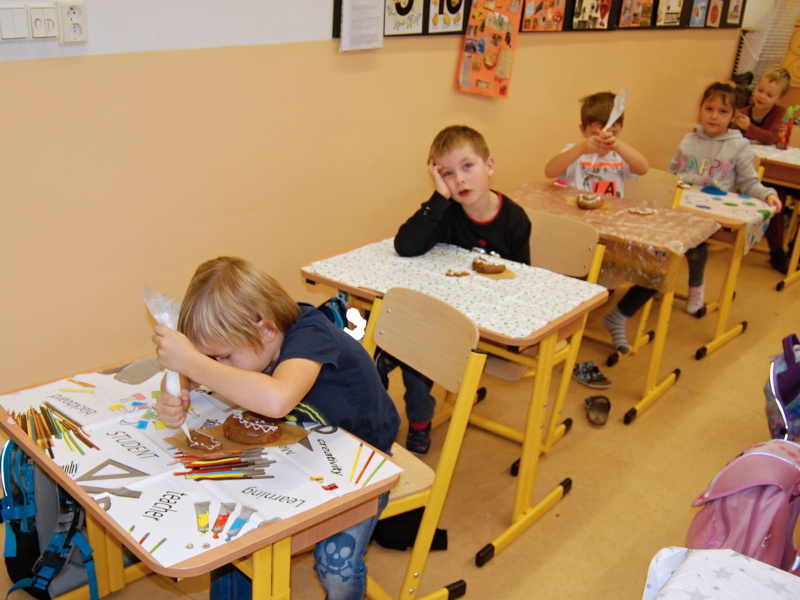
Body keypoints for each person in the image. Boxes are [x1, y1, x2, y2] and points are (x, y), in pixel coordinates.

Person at [152, 256, 400, 600]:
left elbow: (277, 400)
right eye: (212, 357)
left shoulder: (311, 335)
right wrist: (176, 389)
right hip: (304, 446)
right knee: (234, 535)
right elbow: (197, 374)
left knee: (336, 565)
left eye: (224, 357)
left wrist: (192, 363)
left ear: (266, 331)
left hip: (364, 457)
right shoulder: (252, 340)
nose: (217, 365)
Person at [387, 124, 531, 454]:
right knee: (416, 336)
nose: (460, 180)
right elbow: (406, 246)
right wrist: (439, 198)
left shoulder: (514, 220)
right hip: (442, 317)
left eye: (468, 166)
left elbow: (523, 282)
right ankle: (411, 408)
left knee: (417, 346)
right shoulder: (446, 213)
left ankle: (416, 412)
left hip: (487, 326)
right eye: (448, 174)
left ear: (489, 166)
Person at [545, 91, 650, 375]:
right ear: (583, 130)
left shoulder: (620, 155)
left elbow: (643, 167)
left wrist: (620, 145)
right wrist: (581, 148)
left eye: (612, 133)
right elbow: (550, 170)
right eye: (596, 134)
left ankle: (617, 316)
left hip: (612, 233)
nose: (603, 141)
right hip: (579, 233)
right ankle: (562, 333)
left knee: (649, 270)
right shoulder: (576, 152)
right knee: (573, 282)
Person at [671, 82, 782, 313]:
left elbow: (749, 183)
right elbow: (671, 174)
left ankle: (696, 287)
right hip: (680, 208)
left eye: (723, 111)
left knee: (696, 247)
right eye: (709, 109)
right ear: (700, 109)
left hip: (711, 215)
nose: (714, 116)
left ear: (733, 116)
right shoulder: (688, 140)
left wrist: (768, 194)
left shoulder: (738, 145)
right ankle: (656, 285)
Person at [733, 65, 793, 273]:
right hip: (751, 168)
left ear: (779, 98)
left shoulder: (780, 113)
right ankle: (776, 249)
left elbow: (772, 137)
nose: (762, 97)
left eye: (769, 95)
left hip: (775, 166)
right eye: (760, 91)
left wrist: (748, 127)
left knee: (779, 190)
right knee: (776, 193)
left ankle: (788, 247)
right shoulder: (743, 112)